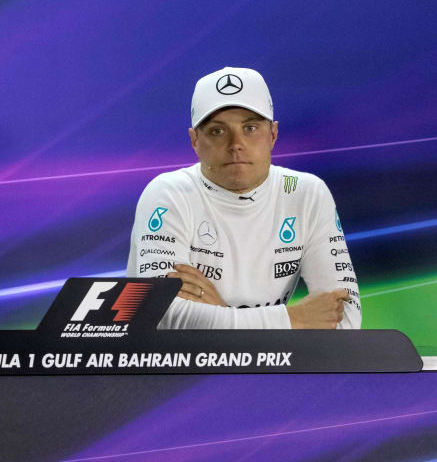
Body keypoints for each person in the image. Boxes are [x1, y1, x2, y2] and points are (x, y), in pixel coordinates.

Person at [127, 67, 360, 329]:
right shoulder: (168, 193)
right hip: (183, 369)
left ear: (273, 134)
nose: (236, 143)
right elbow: (165, 317)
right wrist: (293, 319)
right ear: (194, 141)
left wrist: (222, 315)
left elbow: (344, 320)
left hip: (272, 368)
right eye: (217, 131)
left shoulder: (307, 193)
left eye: (250, 128)